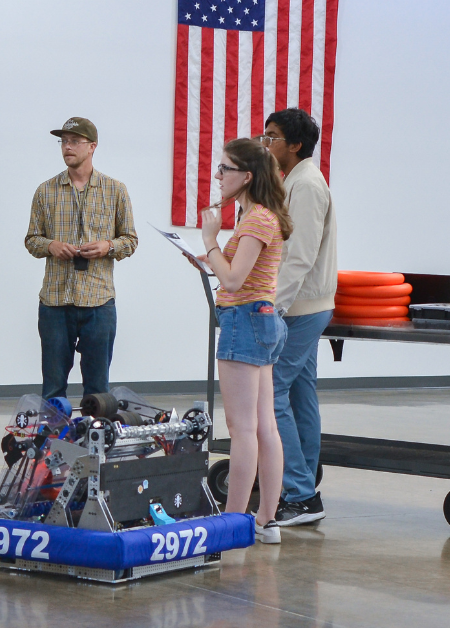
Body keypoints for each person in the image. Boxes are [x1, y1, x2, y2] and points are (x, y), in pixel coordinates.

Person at [193, 137, 293, 544]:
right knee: (264, 425)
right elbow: (236, 272)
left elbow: (233, 279)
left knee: (243, 429)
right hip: (261, 318)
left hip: (245, 320)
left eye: (225, 169)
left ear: (246, 176)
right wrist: (209, 255)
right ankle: (265, 521)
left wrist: (210, 241)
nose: (218, 176)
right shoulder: (260, 217)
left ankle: (234, 520)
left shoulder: (256, 220)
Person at [24, 117, 138, 401]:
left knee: (98, 389)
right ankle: (53, 443)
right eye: (63, 141)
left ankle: (94, 442)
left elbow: (131, 240)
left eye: (74, 141)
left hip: (98, 302)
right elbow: (31, 240)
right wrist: (51, 246)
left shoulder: (115, 190)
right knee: (52, 388)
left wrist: (107, 246)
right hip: (55, 302)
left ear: (92, 147)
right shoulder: (45, 191)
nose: (67, 147)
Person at [263, 109, 337, 527]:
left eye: (271, 137)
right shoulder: (291, 181)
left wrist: (271, 306)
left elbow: (300, 256)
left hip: (301, 307)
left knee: (271, 392)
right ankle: (303, 481)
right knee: (299, 394)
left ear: (294, 145)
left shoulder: (306, 185)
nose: (265, 143)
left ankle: (300, 494)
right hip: (303, 305)